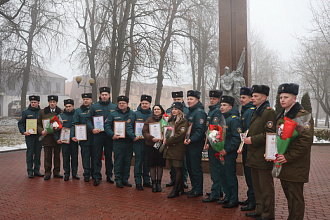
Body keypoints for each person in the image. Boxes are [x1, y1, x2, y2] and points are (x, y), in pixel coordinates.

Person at [276, 83, 314, 220]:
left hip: (295, 164)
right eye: (281, 97)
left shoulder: (303, 116)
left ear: (294, 98)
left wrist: (288, 157)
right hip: (284, 162)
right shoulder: (282, 115)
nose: (282, 100)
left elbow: (305, 141)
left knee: (296, 198)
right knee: (289, 196)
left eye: (286, 97)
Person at [243, 85, 276, 220]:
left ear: (264, 97)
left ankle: (267, 214)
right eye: (253, 96)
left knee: (266, 187)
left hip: (263, 155)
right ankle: (259, 209)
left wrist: (252, 140)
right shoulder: (257, 111)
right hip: (253, 155)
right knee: (257, 186)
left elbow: (270, 133)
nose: (253, 98)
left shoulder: (268, 112)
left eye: (256, 96)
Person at [105, 95, 138, 188]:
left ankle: (125, 179)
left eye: (123, 103)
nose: (121, 105)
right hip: (118, 141)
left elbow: (136, 126)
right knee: (118, 161)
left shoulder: (132, 114)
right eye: (120, 103)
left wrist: (136, 135)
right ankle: (118, 179)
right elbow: (107, 125)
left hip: (129, 141)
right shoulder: (113, 114)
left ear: (127, 104)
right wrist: (112, 135)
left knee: (127, 161)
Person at [86, 87, 117, 186]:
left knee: (108, 156)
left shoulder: (114, 107)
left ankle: (109, 175)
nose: (104, 96)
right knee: (97, 156)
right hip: (97, 135)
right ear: (100, 95)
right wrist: (92, 129)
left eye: (106, 94)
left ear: (109, 95)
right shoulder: (94, 106)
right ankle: (97, 176)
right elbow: (87, 119)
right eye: (102, 94)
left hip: (109, 136)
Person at [216, 95, 242, 208]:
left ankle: (233, 199)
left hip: (229, 153)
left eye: (224, 105)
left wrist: (226, 150)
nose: (222, 107)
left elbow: (237, 138)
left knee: (230, 175)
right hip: (221, 152)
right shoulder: (221, 118)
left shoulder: (234, 119)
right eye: (221, 105)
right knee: (223, 175)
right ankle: (227, 196)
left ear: (230, 107)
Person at [184, 90, 207, 198]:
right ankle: (194, 187)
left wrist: (191, 139)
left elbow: (200, 130)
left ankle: (198, 189)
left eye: (191, 99)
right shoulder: (190, 112)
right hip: (189, 144)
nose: (188, 101)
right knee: (190, 166)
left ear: (197, 100)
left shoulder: (199, 112)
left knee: (195, 167)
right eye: (188, 99)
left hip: (195, 144)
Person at [163, 102, 189, 198]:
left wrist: (167, 141)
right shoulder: (171, 120)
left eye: (176, 109)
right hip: (171, 147)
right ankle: (180, 187)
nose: (174, 111)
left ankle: (176, 189)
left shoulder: (183, 121)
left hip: (178, 148)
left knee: (178, 168)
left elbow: (179, 135)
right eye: (172, 109)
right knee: (175, 168)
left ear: (180, 111)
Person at [202, 90, 224, 203]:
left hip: (215, 144)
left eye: (214, 99)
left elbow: (215, 129)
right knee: (214, 168)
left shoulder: (217, 111)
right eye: (210, 98)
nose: (211, 100)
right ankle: (218, 190)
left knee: (215, 169)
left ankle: (215, 193)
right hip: (211, 142)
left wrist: (209, 142)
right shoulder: (211, 111)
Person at [237, 87, 256, 211]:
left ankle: (253, 201)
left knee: (251, 176)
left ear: (250, 98)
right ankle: (250, 198)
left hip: (250, 147)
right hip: (245, 146)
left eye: (244, 97)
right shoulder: (245, 110)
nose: (241, 100)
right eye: (241, 97)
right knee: (248, 175)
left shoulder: (250, 111)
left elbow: (248, 130)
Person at [37, 95, 63, 180]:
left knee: (57, 156)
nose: (52, 103)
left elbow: (63, 124)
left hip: (56, 138)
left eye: (54, 102)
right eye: (51, 102)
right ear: (48, 102)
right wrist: (41, 131)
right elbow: (38, 124)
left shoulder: (61, 112)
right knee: (47, 156)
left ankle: (56, 172)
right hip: (47, 137)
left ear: (56, 103)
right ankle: (47, 173)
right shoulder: (43, 112)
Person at [142, 105, 167, 193]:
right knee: (152, 165)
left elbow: (169, 130)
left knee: (160, 165)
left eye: (158, 109)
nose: (156, 111)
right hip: (151, 145)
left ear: (161, 110)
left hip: (161, 145)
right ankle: (153, 183)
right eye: (155, 109)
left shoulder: (165, 120)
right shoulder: (149, 120)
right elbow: (144, 131)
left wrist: (164, 137)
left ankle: (159, 183)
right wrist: (152, 138)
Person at [18, 95, 43, 178]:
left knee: (38, 153)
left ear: (38, 103)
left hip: (39, 136)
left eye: (34, 102)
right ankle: (29, 171)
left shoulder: (41, 112)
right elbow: (21, 123)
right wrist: (23, 132)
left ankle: (37, 170)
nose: (33, 104)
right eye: (31, 102)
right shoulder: (26, 112)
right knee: (29, 153)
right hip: (29, 136)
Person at [71, 93, 94, 182]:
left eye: (87, 99)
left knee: (95, 157)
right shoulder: (78, 111)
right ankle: (87, 174)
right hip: (84, 138)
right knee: (85, 157)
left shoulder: (94, 109)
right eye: (84, 99)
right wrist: (73, 135)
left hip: (95, 137)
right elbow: (75, 124)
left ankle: (95, 173)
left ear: (91, 100)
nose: (85, 101)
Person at [55, 99, 79, 181]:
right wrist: (57, 139)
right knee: (65, 157)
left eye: (70, 106)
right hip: (64, 140)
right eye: (66, 106)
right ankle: (66, 174)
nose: (68, 108)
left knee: (74, 157)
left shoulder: (76, 114)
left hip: (74, 140)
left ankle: (75, 173)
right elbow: (56, 129)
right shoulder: (60, 116)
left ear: (73, 106)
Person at [133, 95, 152, 190]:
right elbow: (130, 126)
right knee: (138, 161)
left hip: (149, 142)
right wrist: (133, 136)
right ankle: (138, 181)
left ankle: (147, 180)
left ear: (149, 104)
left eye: (146, 103)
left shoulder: (153, 115)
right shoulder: (135, 114)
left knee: (147, 161)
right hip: (138, 142)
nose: (144, 105)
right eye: (143, 103)